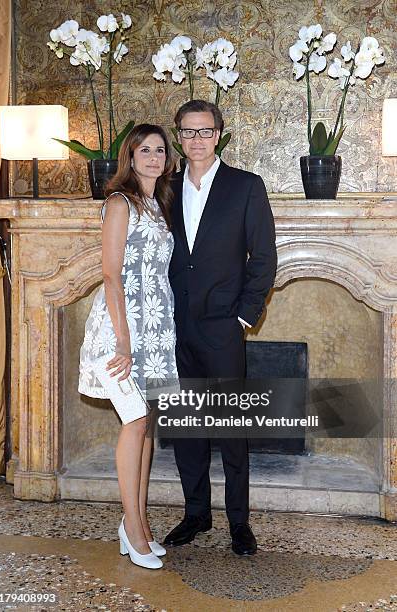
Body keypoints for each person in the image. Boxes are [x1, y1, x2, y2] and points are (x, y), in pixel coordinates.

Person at [165, 100, 277, 556]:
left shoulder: (246, 187)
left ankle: (239, 523)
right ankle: (195, 515)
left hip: (223, 327)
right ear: (179, 136)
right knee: (188, 427)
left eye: (204, 131)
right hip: (175, 327)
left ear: (219, 134)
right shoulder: (164, 188)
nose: (196, 139)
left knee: (232, 428)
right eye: (188, 132)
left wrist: (244, 316)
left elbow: (264, 258)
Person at [78, 124, 178, 569]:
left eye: (159, 150)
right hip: (120, 332)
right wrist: (123, 339)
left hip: (154, 330)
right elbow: (112, 274)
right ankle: (133, 530)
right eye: (144, 151)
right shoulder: (119, 203)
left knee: (146, 424)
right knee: (134, 420)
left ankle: (137, 523)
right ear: (130, 157)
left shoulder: (157, 205)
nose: (153, 157)